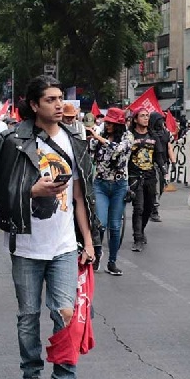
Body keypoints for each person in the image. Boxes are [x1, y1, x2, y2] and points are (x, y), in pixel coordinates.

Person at [0, 75, 99, 379]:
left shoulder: (74, 139)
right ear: (33, 104)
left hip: (65, 246)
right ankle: (31, 378)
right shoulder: (12, 141)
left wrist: (88, 240)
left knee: (65, 315)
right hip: (27, 245)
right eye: (51, 100)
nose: (59, 105)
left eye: (60, 99)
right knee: (28, 315)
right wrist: (32, 191)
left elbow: (81, 197)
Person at [87, 108, 133, 275]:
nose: (107, 125)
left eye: (111, 123)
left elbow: (119, 149)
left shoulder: (128, 136)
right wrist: (91, 136)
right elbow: (90, 149)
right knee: (100, 223)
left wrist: (99, 138)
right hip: (100, 184)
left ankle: (112, 262)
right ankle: (98, 254)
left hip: (119, 185)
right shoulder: (100, 133)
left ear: (119, 124)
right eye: (106, 122)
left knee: (115, 226)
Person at [128, 108, 161, 252]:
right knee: (139, 207)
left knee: (148, 208)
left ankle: (141, 230)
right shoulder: (129, 136)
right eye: (142, 116)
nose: (146, 118)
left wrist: (164, 171)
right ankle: (138, 238)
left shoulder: (153, 136)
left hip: (150, 177)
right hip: (135, 176)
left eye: (147, 116)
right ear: (135, 119)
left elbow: (159, 156)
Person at [148, 112, 175, 222]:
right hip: (152, 163)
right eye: (159, 119)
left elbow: (169, 147)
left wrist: (173, 161)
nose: (161, 122)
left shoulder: (165, 133)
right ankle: (154, 211)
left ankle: (152, 205)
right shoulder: (149, 133)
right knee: (156, 187)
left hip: (164, 162)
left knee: (162, 186)